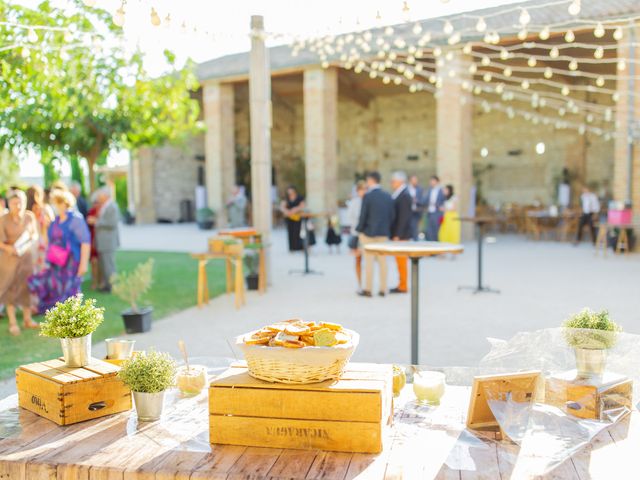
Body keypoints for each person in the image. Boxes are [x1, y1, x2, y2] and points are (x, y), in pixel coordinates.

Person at [29, 190, 91, 313]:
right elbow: (49, 241)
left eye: (58, 203)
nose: (55, 206)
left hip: (71, 262)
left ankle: (73, 317)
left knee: (71, 291)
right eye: (54, 203)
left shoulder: (75, 219)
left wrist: (83, 264)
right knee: (54, 288)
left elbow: (85, 242)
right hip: (56, 263)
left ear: (65, 203)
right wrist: (45, 227)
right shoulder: (56, 221)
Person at [0, 190, 39, 335]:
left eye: (20, 202)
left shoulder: (29, 216)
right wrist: (10, 248)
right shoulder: (3, 219)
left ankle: (28, 319)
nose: (18, 205)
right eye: (14, 203)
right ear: (9, 204)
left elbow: (34, 234)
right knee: (11, 290)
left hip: (26, 258)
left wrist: (26, 245)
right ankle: (12, 322)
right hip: (9, 260)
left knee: (26, 288)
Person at [356, 171, 395, 297]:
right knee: (383, 262)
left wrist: (359, 229)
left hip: (368, 234)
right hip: (383, 233)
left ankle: (368, 289)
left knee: (369, 262)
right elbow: (392, 216)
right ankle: (383, 289)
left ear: (371, 180)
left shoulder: (368, 196)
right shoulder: (388, 196)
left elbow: (363, 216)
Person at [91, 187, 120, 292]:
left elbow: (112, 223)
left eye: (100, 195)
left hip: (108, 241)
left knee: (109, 265)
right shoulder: (105, 206)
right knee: (104, 265)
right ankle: (107, 285)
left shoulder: (112, 206)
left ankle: (112, 286)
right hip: (103, 241)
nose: (98, 198)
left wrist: (96, 222)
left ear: (106, 195)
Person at [390, 171, 413, 294]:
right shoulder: (400, 194)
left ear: (400, 181)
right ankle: (401, 283)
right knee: (399, 260)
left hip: (402, 234)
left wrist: (398, 234)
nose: (392, 183)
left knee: (401, 259)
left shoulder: (404, 195)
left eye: (393, 181)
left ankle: (403, 285)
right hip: (399, 233)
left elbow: (403, 217)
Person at [26, 185, 55, 273]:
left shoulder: (25, 211)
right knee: (45, 268)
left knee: (33, 269)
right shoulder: (45, 209)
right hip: (44, 240)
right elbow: (53, 225)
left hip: (30, 243)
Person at [347, 181, 367, 288]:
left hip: (368, 234)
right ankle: (360, 283)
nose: (363, 191)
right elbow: (350, 218)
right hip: (357, 233)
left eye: (365, 189)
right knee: (358, 259)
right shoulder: (354, 202)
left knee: (369, 260)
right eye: (361, 189)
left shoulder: (369, 201)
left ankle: (367, 283)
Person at [86, 192, 104, 290]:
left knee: (101, 262)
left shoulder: (103, 211)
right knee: (93, 262)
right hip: (92, 239)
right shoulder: (91, 211)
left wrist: (95, 220)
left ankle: (101, 281)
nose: (96, 204)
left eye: (98, 202)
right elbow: (88, 222)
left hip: (102, 240)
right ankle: (94, 282)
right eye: (95, 202)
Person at [280, 186, 305, 252]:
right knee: (290, 232)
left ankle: (299, 247)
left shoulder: (299, 197)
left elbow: (302, 205)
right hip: (289, 217)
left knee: (298, 231)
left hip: (297, 217)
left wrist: (295, 209)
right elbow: (282, 207)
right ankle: (292, 248)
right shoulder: (286, 198)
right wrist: (287, 211)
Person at [424, 175, 445, 241]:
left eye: (433, 181)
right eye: (431, 181)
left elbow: (444, 201)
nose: (431, 182)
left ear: (437, 181)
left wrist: (437, 205)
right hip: (429, 213)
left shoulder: (441, 191)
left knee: (436, 231)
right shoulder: (429, 190)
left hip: (437, 213)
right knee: (429, 231)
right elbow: (424, 200)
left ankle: (437, 247)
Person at [407, 174, 424, 240]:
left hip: (416, 212)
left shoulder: (420, 189)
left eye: (416, 180)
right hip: (408, 211)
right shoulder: (406, 189)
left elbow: (423, 201)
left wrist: (417, 200)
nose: (415, 181)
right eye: (414, 180)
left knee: (415, 229)